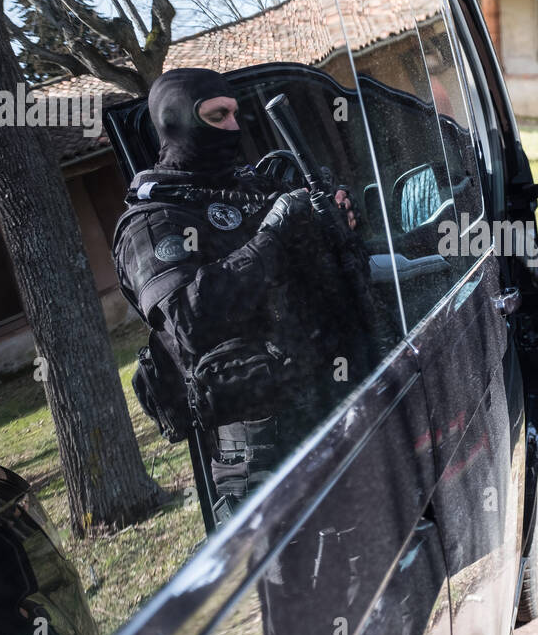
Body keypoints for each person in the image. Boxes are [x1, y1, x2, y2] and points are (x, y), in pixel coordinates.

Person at [112, 67, 371, 526]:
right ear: (176, 123)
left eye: (234, 113)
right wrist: (274, 233)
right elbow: (190, 318)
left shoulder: (249, 187)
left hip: (330, 406)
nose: (234, 126)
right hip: (259, 449)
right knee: (297, 584)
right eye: (217, 115)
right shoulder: (152, 222)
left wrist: (333, 216)